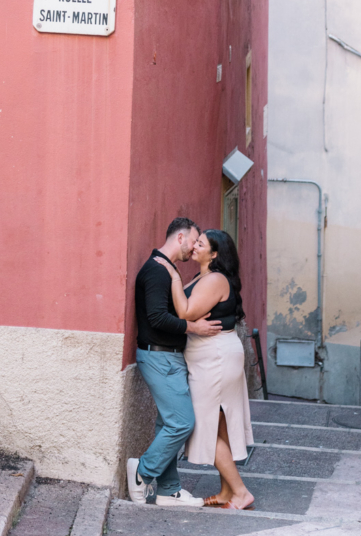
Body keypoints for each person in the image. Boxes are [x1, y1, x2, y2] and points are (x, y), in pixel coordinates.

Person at [127, 216, 223, 507]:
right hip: (159, 357)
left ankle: (169, 489)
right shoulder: (157, 271)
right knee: (182, 423)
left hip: (167, 357)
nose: (194, 248)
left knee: (166, 424)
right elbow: (157, 317)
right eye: (193, 241)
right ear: (180, 238)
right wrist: (194, 328)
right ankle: (142, 472)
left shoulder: (167, 270)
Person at [159, 229, 255, 510]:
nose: (194, 246)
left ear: (214, 254)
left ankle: (239, 492)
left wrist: (173, 276)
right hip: (210, 356)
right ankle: (227, 491)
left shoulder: (214, 279)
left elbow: (187, 312)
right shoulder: (203, 277)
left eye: (200, 244)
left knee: (203, 424)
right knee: (219, 423)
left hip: (215, 358)